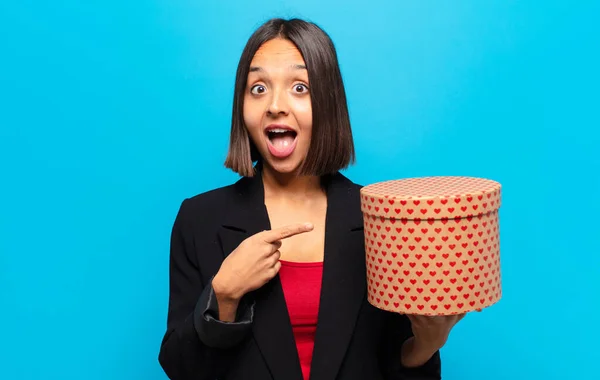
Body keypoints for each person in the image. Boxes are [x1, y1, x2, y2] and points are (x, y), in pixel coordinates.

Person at [157, 17, 464, 380]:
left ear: (328, 101)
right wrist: (223, 294)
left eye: (299, 87)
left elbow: (392, 364)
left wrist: (427, 345)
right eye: (258, 88)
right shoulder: (199, 218)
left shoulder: (381, 220)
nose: (275, 105)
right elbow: (179, 367)